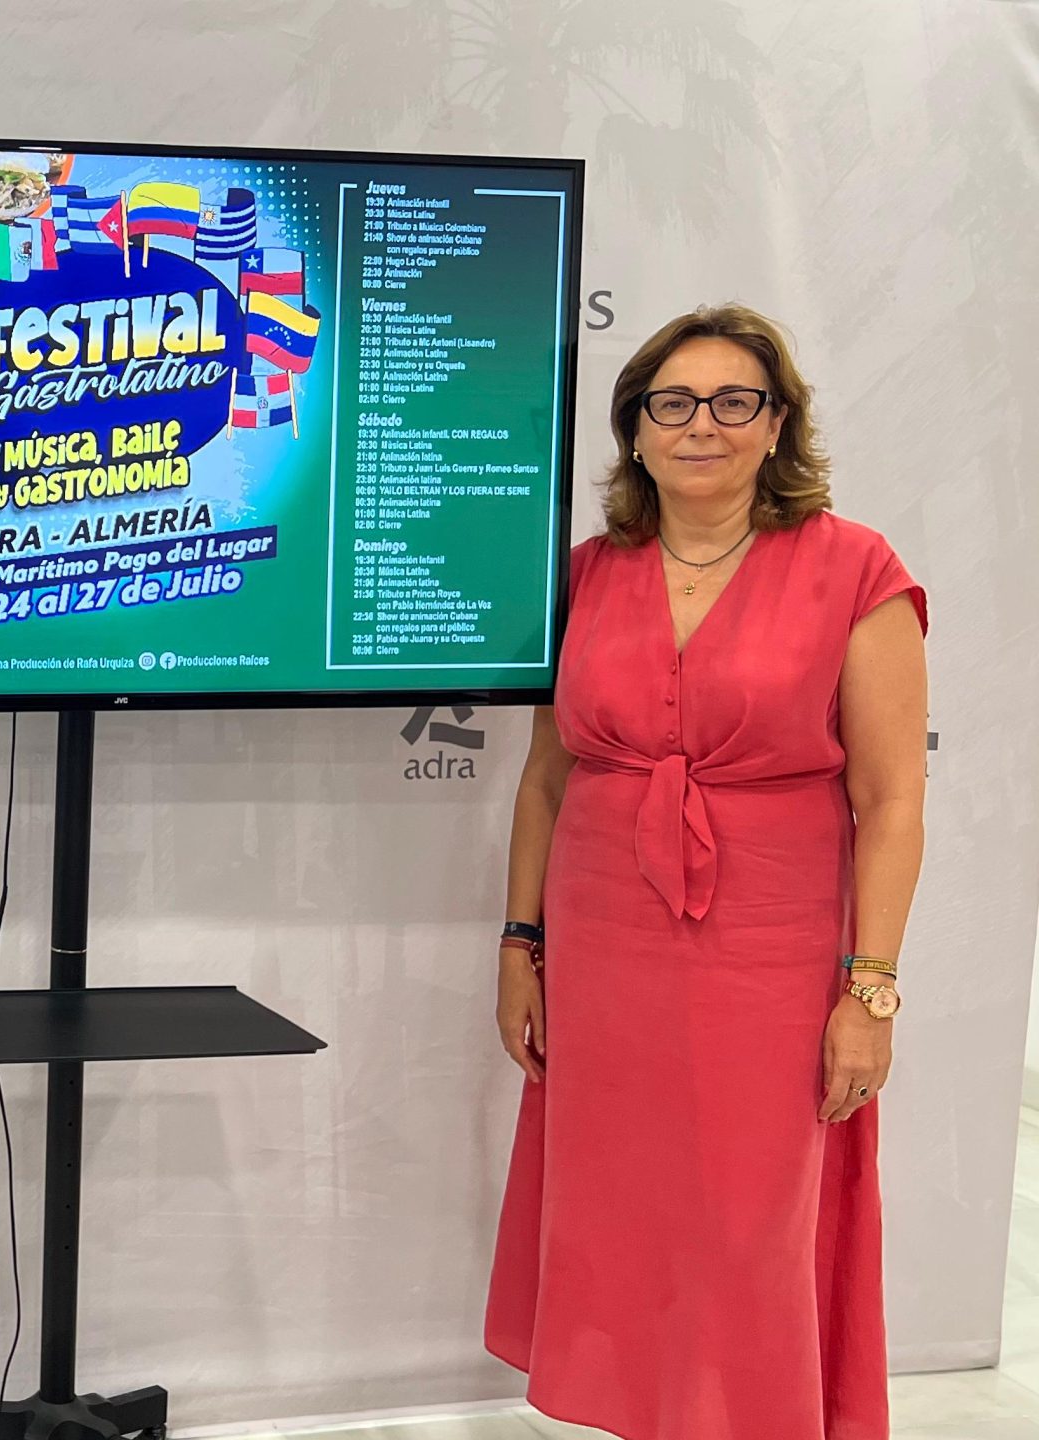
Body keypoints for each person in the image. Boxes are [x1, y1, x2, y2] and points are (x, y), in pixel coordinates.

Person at [485, 305, 926, 1439]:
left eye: (736, 401)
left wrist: (870, 991)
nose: (702, 426)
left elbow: (891, 802)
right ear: (634, 431)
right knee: (623, 1213)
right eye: (672, 403)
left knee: (748, 1222)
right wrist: (521, 945)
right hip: (604, 952)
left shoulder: (855, 570)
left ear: (777, 425)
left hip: (770, 961)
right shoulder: (584, 574)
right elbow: (545, 782)